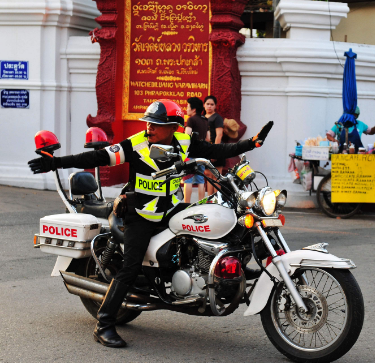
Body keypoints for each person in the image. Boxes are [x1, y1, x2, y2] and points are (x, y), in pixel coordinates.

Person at [28, 99, 273, 348]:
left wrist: (252, 143)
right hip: (140, 213)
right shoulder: (135, 144)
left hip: (174, 207)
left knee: (223, 219)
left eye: (156, 124)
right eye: (148, 123)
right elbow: (97, 156)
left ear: (173, 127)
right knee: (130, 267)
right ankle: (103, 325)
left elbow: (218, 151)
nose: (149, 128)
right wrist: (55, 163)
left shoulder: (185, 143)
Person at [183, 97, 209, 203]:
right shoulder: (205, 120)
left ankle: (186, 204)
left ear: (193, 109)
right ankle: (201, 203)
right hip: (202, 153)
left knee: (188, 179)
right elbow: (208, 138)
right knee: (200, 180)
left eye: (188, 106)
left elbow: (187, 136)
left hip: (191, 153)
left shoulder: (191, 120)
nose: (186, 109)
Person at [204, 95, 225, 195]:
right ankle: (210, 199)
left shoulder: (217, 118)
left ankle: (219, 199)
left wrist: (215, 152)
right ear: (204, 105)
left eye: (212, 104)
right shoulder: (202, 118)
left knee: (217, 176)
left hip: (216, 150)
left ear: (215, 106)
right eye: (207, 104)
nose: (209, 106)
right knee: (208, 175)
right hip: (207, 149)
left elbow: (219, 135)